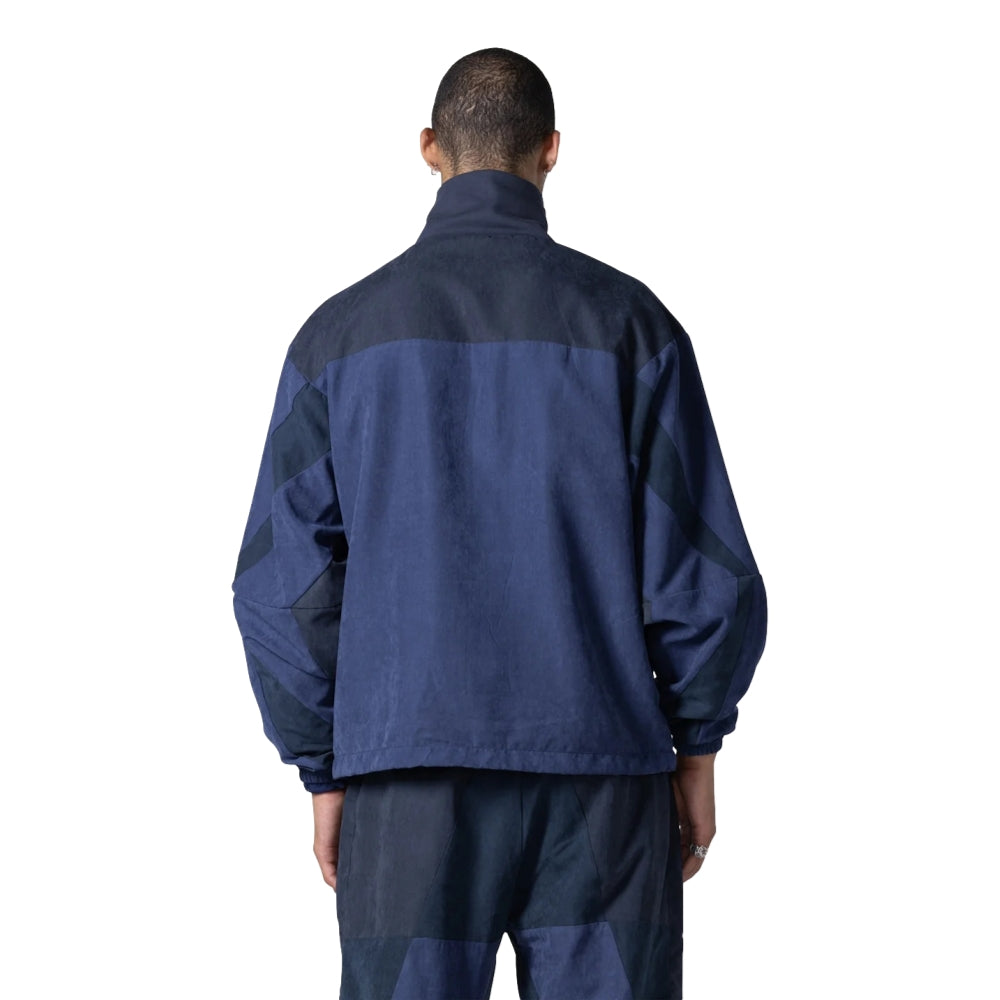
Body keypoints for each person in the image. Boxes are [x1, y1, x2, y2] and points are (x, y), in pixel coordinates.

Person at [231, 46, 767, 1000]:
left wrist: (325, 768)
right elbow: (703, 576)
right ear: (551, 150)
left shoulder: (338, 338)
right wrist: (698, 746)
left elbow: (283, 590)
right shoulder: (632, 326)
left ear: (429, 148)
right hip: (603, 782)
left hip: (408, 784)